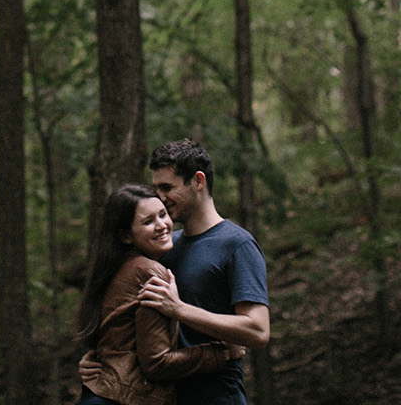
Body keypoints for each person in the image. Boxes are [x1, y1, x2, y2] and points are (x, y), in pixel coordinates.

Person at [82, 140, 270, 405]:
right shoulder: (163, 247)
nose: (160, 196)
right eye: (157, 188)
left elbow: (258, 331)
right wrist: (102, 359)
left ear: (198, 181)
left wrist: (180, 309)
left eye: (167, 187)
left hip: (216, 393)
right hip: (163, 394)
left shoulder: (237, 245)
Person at [74, 184, 244, 405]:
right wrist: (222, 354)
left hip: (99, 393)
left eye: (163, 214)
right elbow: (157, 364)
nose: (162, 225)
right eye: (148, 222)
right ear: (126, 236)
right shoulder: (149, 272)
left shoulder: (115, 265)